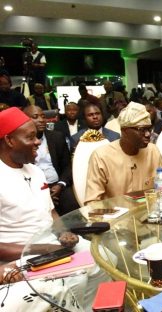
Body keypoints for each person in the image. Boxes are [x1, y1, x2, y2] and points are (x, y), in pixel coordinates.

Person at [0, 107, 87, 310]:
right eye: (31, 137)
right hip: (21, 253)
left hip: (52, 243)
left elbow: (52, 212)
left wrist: (63, 232)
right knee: (72, 279)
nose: (38, 141)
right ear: (10, 140)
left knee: (103, 258)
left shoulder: (37, 171)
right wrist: (43, 249)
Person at [85, 102, 162, 204]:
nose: (148, 134)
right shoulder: (101, 156)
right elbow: (92, 202)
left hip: (151, 214)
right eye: (142, 130)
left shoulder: (153, 151)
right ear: (124, 131)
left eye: (149, 129)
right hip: (116, 217)